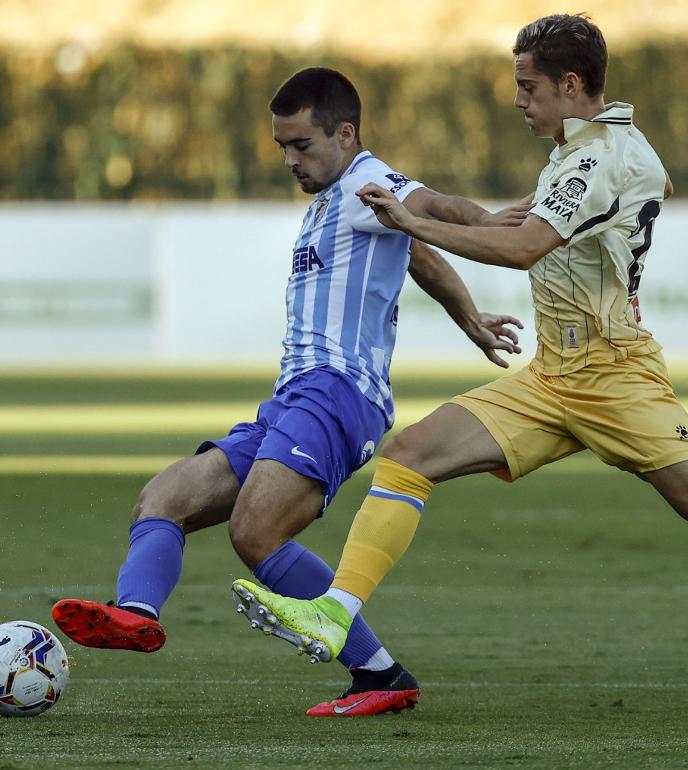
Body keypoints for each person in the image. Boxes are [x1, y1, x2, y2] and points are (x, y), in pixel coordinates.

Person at [230, 16, 688, 689]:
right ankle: (335, 610)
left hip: (616, 375)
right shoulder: (584, 153)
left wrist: (407, 219)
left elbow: (523, 248)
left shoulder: (599, 159)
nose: (518, 100)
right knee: (409, 454)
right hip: (553, 375)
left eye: (528, 86)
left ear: (571, 85)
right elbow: (629, 188)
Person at [52, 67, 529, 717]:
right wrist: (470, 318)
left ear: (344, 133)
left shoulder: (369, 181)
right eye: (281, 146)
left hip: (338, 396)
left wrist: (492, 221)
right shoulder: (336, 204)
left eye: (301, 145)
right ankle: (136, 613)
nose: (289, 159)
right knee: (163, 498)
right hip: (291, 401)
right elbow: (418, 253)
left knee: (256, 532)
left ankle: (377, 672)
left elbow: (433, 210)